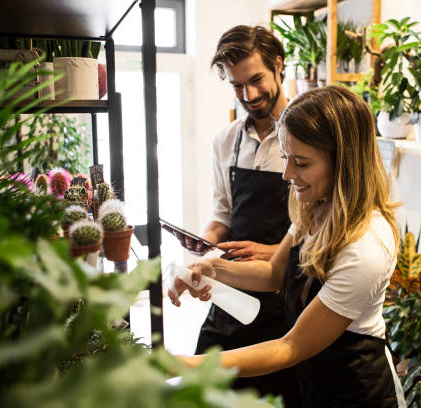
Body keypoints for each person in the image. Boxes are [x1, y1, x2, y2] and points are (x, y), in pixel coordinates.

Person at [169, 86, 407, 407]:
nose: (287, 174)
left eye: (301, 163)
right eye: (285, 157)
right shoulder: (317, 204)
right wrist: (213, 267)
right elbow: (273, 272)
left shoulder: (366, 248)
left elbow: (289, 347)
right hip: (315, 382)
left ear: (344, 163)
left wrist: (190, 364)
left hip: (357, 392)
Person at [162, 25, 299, 405]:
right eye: (237, 86)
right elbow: (222, 215)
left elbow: (323, 230)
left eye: (256, 80)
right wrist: (204, 252)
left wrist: (273, 252)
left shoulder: (307, 136)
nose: (249, 95)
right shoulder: (225, 141)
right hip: (233, 292)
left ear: (278, 65)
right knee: (208, 390)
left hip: (288, 297)